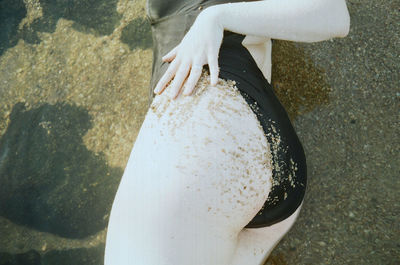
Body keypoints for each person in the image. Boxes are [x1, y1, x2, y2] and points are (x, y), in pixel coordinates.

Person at [105, 1, 350, 264]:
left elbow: (334, 15)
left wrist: (216, 18)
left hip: (208, 133)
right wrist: (219, 18)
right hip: (245, 160)